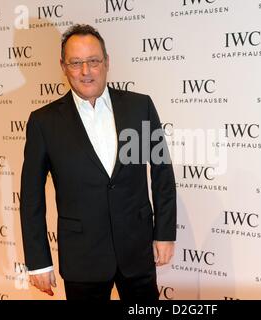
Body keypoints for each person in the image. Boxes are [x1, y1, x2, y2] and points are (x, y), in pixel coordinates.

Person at [20, 24, 177, 301]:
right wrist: (38, 261)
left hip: (137, 252)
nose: (85, 71)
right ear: (63, 66)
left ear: (106, 62)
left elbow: (162, 173)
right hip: (83, 258)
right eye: (76, 63)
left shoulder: (140, 107)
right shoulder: (44, 122)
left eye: (93, 61)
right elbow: (31, 198)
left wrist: (164, 233)